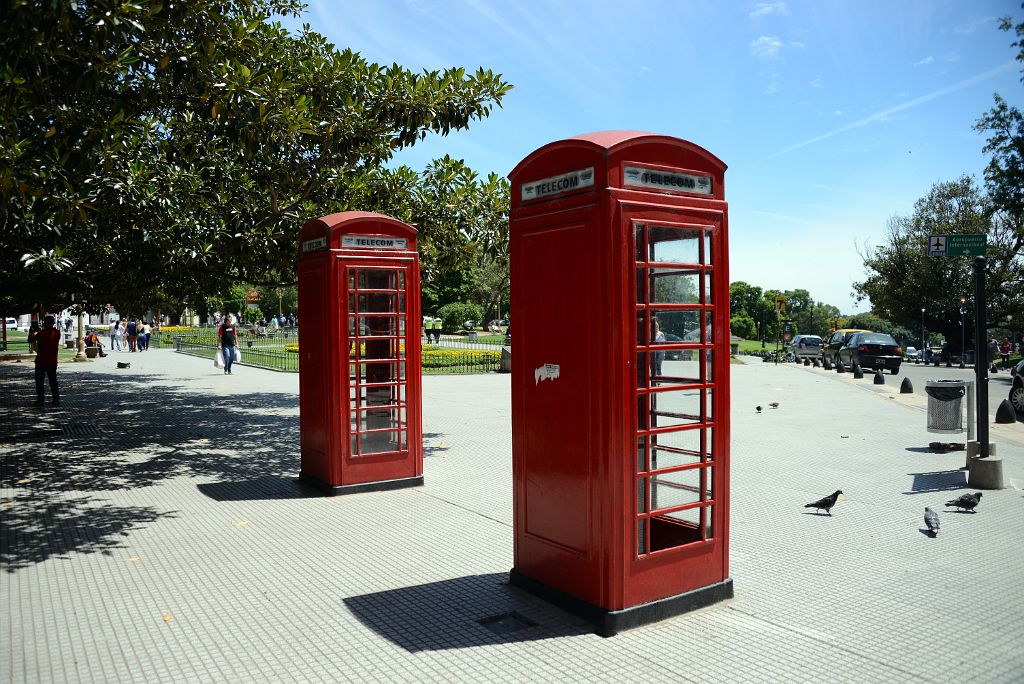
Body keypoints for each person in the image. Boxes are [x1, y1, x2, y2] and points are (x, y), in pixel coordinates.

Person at [30, 315, 61, 406]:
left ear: (45, 323)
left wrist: (32, 331)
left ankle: (40, 400)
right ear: (53, 323)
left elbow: (31, 339)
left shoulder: (42, 333)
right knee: (53, 381)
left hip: (41, 361)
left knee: (39, 382)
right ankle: (56, 399)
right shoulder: (57, 333)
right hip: (52, 361)